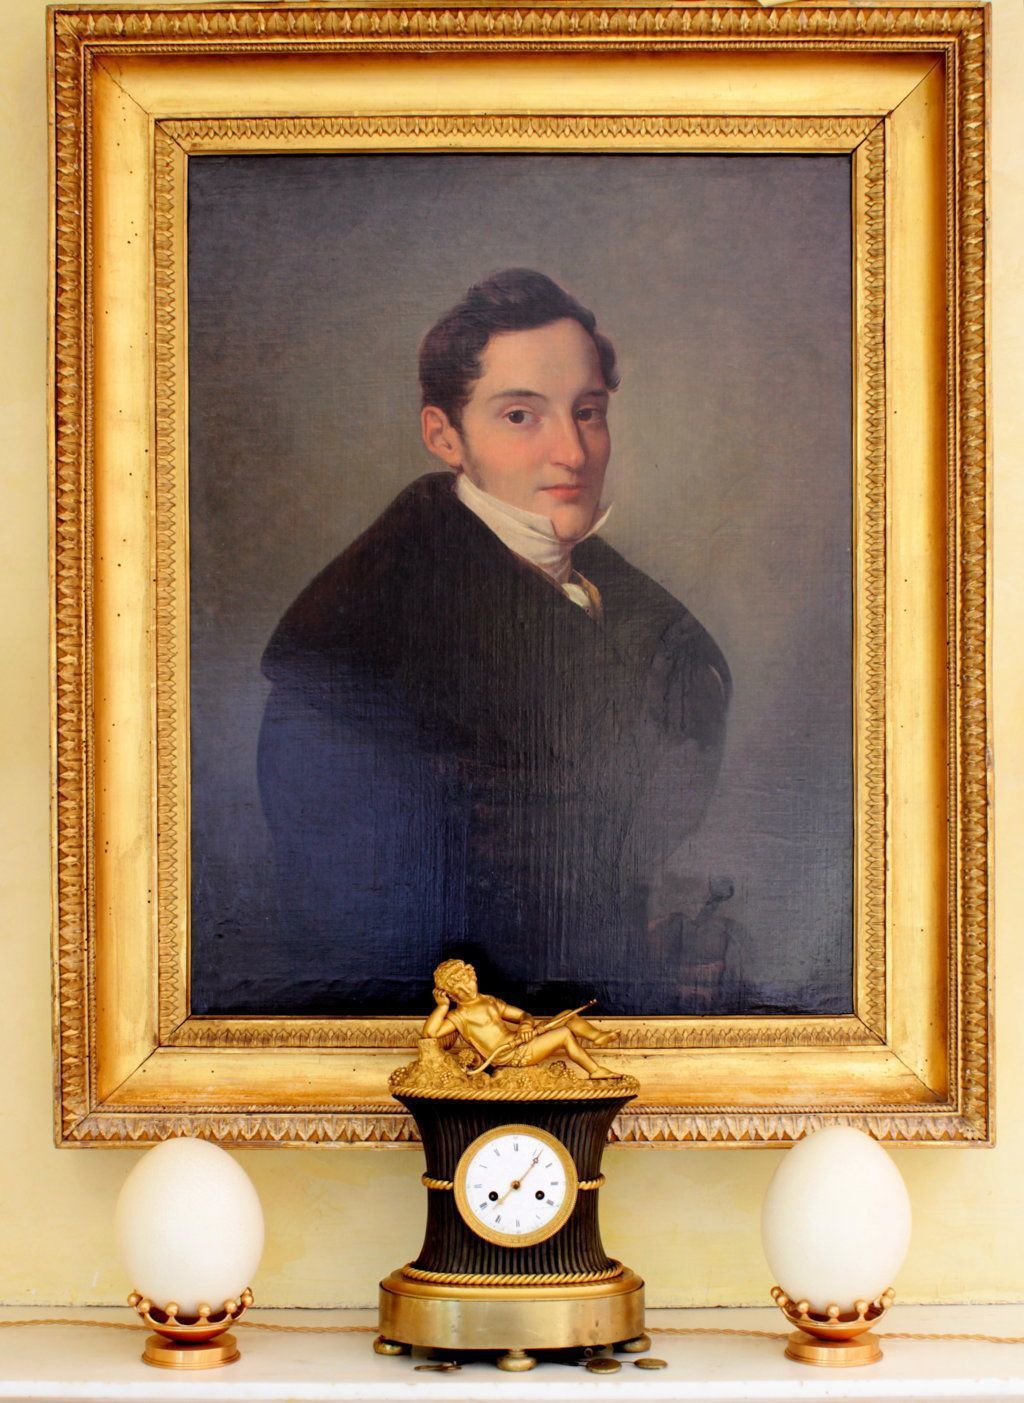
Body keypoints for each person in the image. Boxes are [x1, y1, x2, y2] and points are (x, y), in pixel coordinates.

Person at [258, 268, 730, 1015]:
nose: (572, 452)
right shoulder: (351, 666)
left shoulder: (635, 620)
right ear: (445, 436)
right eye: (520, 415)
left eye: (588, 412)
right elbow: (369, 948)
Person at [423, 959, 617, 1078]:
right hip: (510, 1055)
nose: (467, 990)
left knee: (567, 1015)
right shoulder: (459, 1016)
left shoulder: (489, 1001)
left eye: (468, 982)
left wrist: (525, 1026)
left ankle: (597, 1036)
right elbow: (430, 1033)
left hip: (520, 1040)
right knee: (564, 1034)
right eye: (459, 990)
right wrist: (442, 1007)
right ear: (451, 995)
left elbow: (524, 1015)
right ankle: (595, 1070)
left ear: (473, 977)